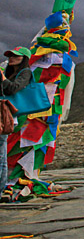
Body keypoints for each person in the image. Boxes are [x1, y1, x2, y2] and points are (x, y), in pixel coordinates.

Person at [0, 46, 32, 193]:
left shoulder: (25, 73)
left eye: (15, 56)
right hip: (3, 112)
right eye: (10, 56)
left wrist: (3, 78)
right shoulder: (9, 72)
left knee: (1, 152)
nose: (11, 58)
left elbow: (13, 88)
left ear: (24, 59)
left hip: (8, 115)